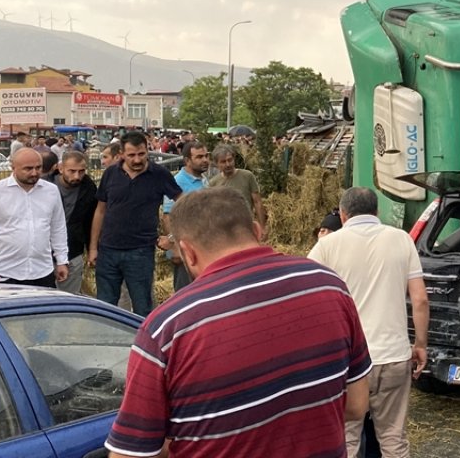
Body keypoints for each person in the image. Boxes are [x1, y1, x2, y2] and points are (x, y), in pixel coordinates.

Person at [104, 187, 371, 458]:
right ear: (256, 230)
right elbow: (357, 405)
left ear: (187, 251)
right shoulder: (329, 286)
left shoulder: (167, 328)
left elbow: (128, 455)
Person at [307, 187, 429, 458]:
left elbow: (308, 299)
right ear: (377, 211)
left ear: (342, 213)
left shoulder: (326, 246)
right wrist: (420, 343)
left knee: (347, 440)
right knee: (393, 439)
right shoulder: (401, 239)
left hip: (350, 361)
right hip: (394, 355)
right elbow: (420, 299)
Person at [89, 131, 182, 316]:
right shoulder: (110, 174)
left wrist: (173, 237)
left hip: (141, 252)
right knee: (105, 308)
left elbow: (183, 202)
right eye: (131, 155)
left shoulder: (160, 174)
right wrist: (93, 247)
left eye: (141, 154)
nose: (137, 159)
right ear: (122, 154)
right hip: (108, 251)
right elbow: (100, 210)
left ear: (147, 151)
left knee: (143, 307)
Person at [0, 149, 68, 288]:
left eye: (38, 168)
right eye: (28, 169)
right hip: (3, 272)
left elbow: (58, 227)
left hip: (42, 271)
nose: (34, 173)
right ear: (13, 167)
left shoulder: (51, 191)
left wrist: (62, 260)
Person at [161, 140, 209, 293]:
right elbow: (168, 216)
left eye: (206, 156)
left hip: (203, 244)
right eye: (199, 157)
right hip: (186, 247)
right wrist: (175, 247)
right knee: (185, 291)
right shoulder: (178, 182)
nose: (205, 160)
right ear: (187, 160)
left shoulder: (203, 179)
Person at [47, 151, 98, 294]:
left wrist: (91, 248)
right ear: (61, 168)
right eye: (72, 171)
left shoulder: (88, 188)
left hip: (73, 250)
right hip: (44, 251)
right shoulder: (45, 186)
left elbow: (90, 221)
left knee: (68, 296)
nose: (77, 176)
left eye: (81, 171)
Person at [210, 144, 265, 231]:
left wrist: (262, 227)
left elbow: (257, 202)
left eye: (230, 160)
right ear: (217, 164)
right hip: (225, 229)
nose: (228, 164)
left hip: (246, 226)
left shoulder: (247, 176)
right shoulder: (213, 183)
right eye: (223, 162)